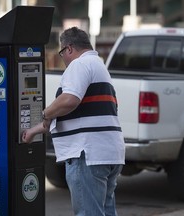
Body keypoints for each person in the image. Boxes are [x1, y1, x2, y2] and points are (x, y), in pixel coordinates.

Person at [22, 26, 125, 216]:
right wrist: (34, 130)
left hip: (87, 153)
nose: (64, 59)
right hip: (108, 153)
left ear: (69, 48)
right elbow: (71, 113)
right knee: (105, 211)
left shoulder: (79, 65)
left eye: (62, 53)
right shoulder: (99, 66)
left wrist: (45, 112)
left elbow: (69, 100)